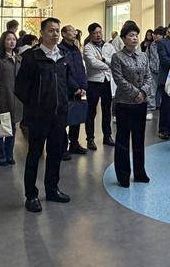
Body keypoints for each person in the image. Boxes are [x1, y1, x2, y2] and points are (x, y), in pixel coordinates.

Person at [15, 18, 78, 213]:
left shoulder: (63, 56)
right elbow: (20, 87)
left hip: (59, 115)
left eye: (57, 30)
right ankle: (31, 195)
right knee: (34, 154)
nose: (55, 34)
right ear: (42, 33)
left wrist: (75, 91)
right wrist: (35, 105)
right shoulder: (32, 57)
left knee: (55, 153)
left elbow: (68, 81)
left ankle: (52, 189)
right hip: (38, 116)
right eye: (51, 30)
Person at [109, 21, 152, 188]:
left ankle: (140, 172)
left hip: (141, 103)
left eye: (136, 35)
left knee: (139, 139)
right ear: (123, 38)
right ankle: (123, 175)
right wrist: (135, 93)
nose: (134, 38)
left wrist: (143, 93)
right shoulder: (117, 57)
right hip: (124, 103)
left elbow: (149, 77)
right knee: (123, 140)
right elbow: (119, 80)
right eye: (131, 35)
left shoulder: (143, 56)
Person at [0, 31, 22, 166]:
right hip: (2, 98)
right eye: (8, 39)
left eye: (14, 39)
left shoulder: (18, 59)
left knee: (12, 128)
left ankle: (9, 155)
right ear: (3, 42)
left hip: (16, 99)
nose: (12, 42)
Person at [82, 23, 116, 150]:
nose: (98, 35)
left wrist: (103, 59)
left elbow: (115, 61)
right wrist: (107, 65)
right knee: (91, 112)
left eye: (100, 32)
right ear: (90, 34)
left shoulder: (109, 46)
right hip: (93, 82)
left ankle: (107, 136)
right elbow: (92, 63)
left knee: (107, 111)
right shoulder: (87, 48)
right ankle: (90, 139)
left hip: (107, 81)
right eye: (95, 33)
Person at [60, 25, 88, 156]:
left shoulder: (76, 49)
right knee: (64, 119)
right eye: (71, 31)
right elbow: (64, 72)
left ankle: (74, 144)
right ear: (64, 34)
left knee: (76, 117)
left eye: (74, 31)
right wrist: (75, 87)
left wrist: (83, 86)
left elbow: (81, 68)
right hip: (67, 90)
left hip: (79, 89)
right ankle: (62, 147)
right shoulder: (60, 50)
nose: (74, 33)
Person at [147, 26, 165, 122]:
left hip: (163, 71)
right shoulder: (151, 45)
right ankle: (150, 109)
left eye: (158, 35)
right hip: (152, 70)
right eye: (155, 34)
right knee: (152, 91)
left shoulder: (165, 44)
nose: (156, 36)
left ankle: (160, 105)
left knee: (162, 90)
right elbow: (147, 57)